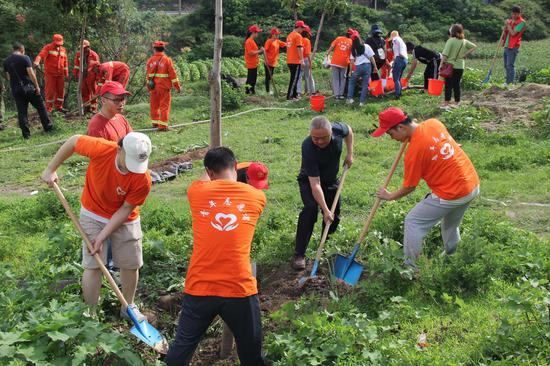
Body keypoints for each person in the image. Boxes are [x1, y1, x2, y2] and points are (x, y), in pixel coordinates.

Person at [165, 147, 267, 366]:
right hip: (239, 288)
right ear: (234, 166)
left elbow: (205, 177)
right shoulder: (257, 197)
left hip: (201, 286)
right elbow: (229, 171)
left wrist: (221, 167)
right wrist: (243, 163)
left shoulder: (196, 192)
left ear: (210, 172)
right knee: (252, 355)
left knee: (180, 353)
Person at [41, 131, 152, 320]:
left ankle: (129, 307)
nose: (134, 168)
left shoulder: (143, 178)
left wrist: (103, 236)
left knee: (131, 263)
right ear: (119, 149)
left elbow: (126, 209)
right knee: (93, 263)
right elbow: (74, 140)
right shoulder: (102, 149)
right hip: (93, 211)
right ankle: (90, 314)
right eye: (131, 161)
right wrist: (51, 169)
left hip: (125, 217)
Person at [372, 107, 479, 271]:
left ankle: (412, 268)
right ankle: (453, 256)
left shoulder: (414, 151)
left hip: (453, 192)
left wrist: (390, 196)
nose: (392, 138)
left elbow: (410, 187)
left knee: (413, 221)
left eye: (390, 133)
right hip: (471, 185)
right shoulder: (433, 123)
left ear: (401, 128)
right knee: (450, 224)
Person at [293, 116, 354, 270]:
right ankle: (299, 254)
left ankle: (324, 248)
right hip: (310, 181)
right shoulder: (308, 147)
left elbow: (349, 131)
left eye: (323, 137)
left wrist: (349, 154)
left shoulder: (339, 130)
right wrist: (325, 210)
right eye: (315, 138)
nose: (319, 141)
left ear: (331, 132)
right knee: (311, 209)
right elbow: (315, 185)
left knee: (335, 214)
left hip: (331, 180)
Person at [3, 42, 53, 139]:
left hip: (16, 89)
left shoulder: (6, 61)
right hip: (28, 88)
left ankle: (26, 135)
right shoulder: (24, 58)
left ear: (13, 50)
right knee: (41, 107)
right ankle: (47, 127)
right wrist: (37, 86)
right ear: (22, 50)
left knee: (22, 112)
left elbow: (9, 77)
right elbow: (31, 74)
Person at [146, 41, 181, 130]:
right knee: (164, 106)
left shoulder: (150, 60)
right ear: (164, 49)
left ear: (154, 49)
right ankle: (162, 126)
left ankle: (155, 124)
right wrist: (177, 86)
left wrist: (148, 87)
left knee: (154, 106)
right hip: (164, 87)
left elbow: (148, 75)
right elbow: (173, 74)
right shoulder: (167, 60)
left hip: (153, 87)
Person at [440, 24, 477, 109]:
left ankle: (446, 103)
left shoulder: (450, 40)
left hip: (450, 66)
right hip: (460, 66)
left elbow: (445, 54)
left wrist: (441, 65)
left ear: (452, 31)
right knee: (456, 84)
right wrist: (465, 54)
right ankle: (457, 102)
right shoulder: (464, 41)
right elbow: (474, 46)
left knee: (448, 84)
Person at [33, 34, 68, 113]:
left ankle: (59, 107)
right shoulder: (48, 47)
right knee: (50, 91)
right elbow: (40, 55)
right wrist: (37, 62)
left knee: (61, 91)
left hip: (60, 75)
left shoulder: (63, 50)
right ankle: (48, 109)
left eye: (60, 44)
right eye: (57, 44)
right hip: (50, 75)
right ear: (54, 41)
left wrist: (66, 73)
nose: (58, 45)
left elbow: (65, 62)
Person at [346, 33, 378, 106]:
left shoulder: (353, 49)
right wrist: (375, 67)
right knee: (365, 84)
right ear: (360, 39)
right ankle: (361, 102)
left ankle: (350, 99)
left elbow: (351, 61)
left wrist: (350, 71)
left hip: (358, 67)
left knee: (351, 82)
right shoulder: (367, 46)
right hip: (367, 66)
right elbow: (371, 58)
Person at [73, 40, 101, 113]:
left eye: (85, 48)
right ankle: (87, 108)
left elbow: (97, 67)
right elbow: (76, 65)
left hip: (91, 76)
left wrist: (97, 78)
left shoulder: (94, 55)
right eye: (82, 48)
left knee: (93, 92)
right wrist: (75, 74)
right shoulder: (79, 54)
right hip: (82, 76)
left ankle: (94, 109)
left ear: (88, 47)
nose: (83, 49)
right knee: (84, 92)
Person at [326, 29, 353, 99]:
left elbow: (332, 46)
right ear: (351, 35)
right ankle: (341, 94)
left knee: (335, 78)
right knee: (343, 78)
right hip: (344, 62)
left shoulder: (338, 38)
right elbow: (352, 54)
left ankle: (336, 95)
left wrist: (327, 53)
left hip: (335, 61)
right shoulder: (351, 42)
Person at [502, 5, 526, 84]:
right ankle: (507, 81)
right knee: (506, 66)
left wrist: (508, 25)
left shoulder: (521, 22)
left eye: (515, 14)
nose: (513, 16)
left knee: (510, 66)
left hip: (513, 46)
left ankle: (510, 83)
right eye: (512, 14)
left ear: (519, 14)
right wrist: (505, 27)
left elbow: (513, 33)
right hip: (507, 45)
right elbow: (507, 31)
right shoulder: (511, 21)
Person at [286, 20, 306, 100]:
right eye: (302, 28)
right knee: (294, 79)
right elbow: (299, 48)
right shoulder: (298, 36)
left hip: (289, 60)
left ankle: (294, 95)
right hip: (295, 61)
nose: (303, 30)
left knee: (294, 78)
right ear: (299, 27)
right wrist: (302, 60)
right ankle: (290, 96)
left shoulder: (289, 35)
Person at [263, 27, 286, 94]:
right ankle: (267, 91)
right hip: (268, 62)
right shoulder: (269, 41)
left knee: (271, 77)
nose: (277, 36)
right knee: (268, 77)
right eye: (276, 34)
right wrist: (266, 60)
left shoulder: (277, 41)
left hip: (273, 62)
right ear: (272, 34)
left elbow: (286, 44)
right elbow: (264, 51)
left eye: (278, 34)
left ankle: (269, 90)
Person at [244, 25, 264, 95]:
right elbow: (250, 53)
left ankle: (252, 91)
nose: (257, 34)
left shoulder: (252, 41)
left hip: (254, 63)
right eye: (257, 32)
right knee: (250, 79)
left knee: (253, 78)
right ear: (253, 33)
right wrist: (260, 51)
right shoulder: (249, 41)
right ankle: (247, 91)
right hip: (251, 63)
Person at [297, 25, 315, 96]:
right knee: (309, 76)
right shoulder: (307, 40)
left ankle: (298, 93)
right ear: (306, 33)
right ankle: (312, 92)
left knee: (298, 77)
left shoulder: (298, 39)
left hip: (298, 60)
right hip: (306, 60)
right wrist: (310, 63)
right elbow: (307, 53)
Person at [389, 31, 408, 99]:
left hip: (400, 58)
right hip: (405, 60)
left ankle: (397, 95)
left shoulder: (395, 39)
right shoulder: (402, 41)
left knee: (395, 78)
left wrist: (400, 54)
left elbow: (399, 52)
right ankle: (399, 92)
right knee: (399, 78)